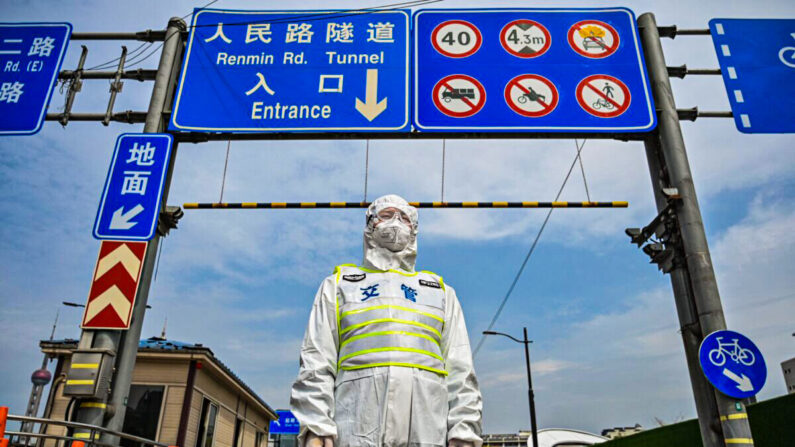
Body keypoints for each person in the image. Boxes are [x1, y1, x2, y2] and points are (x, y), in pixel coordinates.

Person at [290, 194, 482, 447]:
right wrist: (316, 425)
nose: (395, 222)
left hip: (426, 428)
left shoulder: (439, 292)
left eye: (404, 217)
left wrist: (464, 432)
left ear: (414, 230)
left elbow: (461, 369)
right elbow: (316, 360)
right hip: (356, 424)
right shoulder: (339, 286)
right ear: (370, 224)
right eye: (386, 215)